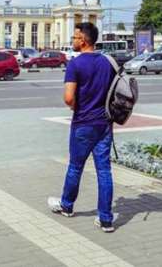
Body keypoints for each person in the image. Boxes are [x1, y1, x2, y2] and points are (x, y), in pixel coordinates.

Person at [48, 22, 116, 233]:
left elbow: (69, 98)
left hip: (83, 124)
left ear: (84, 40)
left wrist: (76, 106)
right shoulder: (107, 63)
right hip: (104, 124)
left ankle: (67, 205)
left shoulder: (75, 64)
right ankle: (105, 219)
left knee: (76, 167)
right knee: (104, 170)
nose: (73, 41)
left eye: (75, 37)